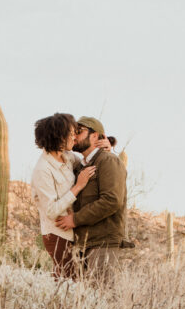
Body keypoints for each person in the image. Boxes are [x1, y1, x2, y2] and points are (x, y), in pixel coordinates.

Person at [55, 116, 127, 279]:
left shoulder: (108, 161)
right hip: (83, 244)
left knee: (102, 297)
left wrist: (75, 219)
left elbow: (112, 200)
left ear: (95, 136)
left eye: (79, 132)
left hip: (103, 243)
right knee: (87, 300)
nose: (74, 136)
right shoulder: (80, 165)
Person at [30, 113, 99, 279]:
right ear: (59, 137)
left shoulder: (67, 158)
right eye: (71, 133)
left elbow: (86, 161)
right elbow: (51, 210)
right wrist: (78, 186)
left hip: (72, 232)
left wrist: (104, 149)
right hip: (57, 234)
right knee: (67, 283)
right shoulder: (43, 169)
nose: (74, 137)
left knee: (75, 281)